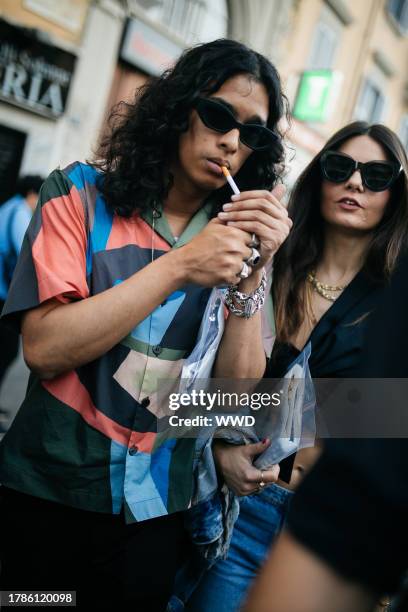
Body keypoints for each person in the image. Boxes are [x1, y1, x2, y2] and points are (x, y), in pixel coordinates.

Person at [0, 39, 292, 610]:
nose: (232, 141)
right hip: (47, 495)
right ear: (178, 108)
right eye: (217, 116)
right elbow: (43, 347)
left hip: (157, 515)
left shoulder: (244, 242)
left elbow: (235, 401)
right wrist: (183, 264)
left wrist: (254, 280)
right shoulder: (80, 193)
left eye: (252, 133)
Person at [186, 121, 408, 611]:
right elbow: (189, 387)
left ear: (395, 193)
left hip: (333, 533)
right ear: (319, 178)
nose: (355, 183)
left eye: (376, 175)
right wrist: (221, 449)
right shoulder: (269, 265)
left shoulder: (397, 301)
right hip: (243, 512)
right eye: (339, 167)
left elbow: (392, 424)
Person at [243, 254, 408, 612]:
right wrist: (223, 446)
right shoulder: (276, 262)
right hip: (252, 500)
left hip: (339, 533)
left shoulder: (389, 294)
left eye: (376, 190)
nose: (355, 192)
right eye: (340, 188)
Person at [0, 175, 43, 431]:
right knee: (6, 352)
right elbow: (26, 252)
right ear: (31, 194)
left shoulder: (7, 207)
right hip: (3, 295)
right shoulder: (18, 212)